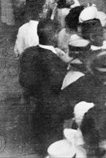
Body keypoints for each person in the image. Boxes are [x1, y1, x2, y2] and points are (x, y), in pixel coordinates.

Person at [19, 19, 68, 152]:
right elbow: (59, 86)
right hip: (51, 109)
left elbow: (23, 80)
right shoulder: (57, 62)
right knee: (52, 144)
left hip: (34, 104)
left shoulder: (28, 53)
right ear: (54, 36)